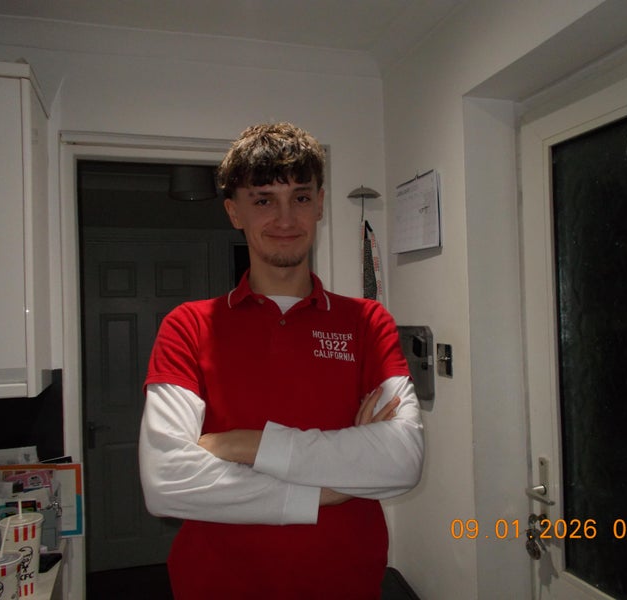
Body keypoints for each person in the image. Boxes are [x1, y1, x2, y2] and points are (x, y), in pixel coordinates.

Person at [138, 122, 424, 599]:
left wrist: (245, 444)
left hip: (345, 586)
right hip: (215, 587)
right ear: (234, 211)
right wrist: (329, 490)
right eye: (264, 200)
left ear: (320, 204)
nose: (286, 218)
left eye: (301, 197)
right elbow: (166, 481)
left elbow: (402, 461)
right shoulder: (188, 326)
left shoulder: (367, 322)